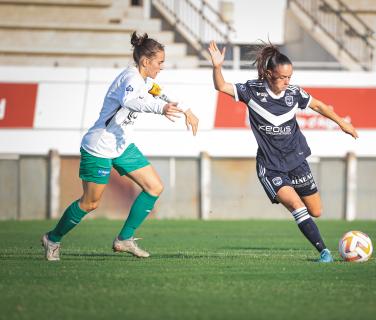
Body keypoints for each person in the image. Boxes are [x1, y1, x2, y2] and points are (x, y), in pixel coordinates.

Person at [41, 32, 199, 261]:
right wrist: (160, 109)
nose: (162, 67)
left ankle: (124, 239)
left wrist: (187, 110)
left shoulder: (146, 81)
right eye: (160, 62)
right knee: (90, 202)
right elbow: (130, 101)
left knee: (154, 187)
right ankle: (52, 239)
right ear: (146, 61)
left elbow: (162, 93)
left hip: (121, 145)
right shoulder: (130, 79)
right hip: (99, 146)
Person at [207, 41, 358, 263]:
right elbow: (221, 87)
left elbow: (319, 106)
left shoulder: (294, 94)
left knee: (316, 211)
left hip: (296, 160)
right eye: (283, 77)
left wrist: (342, 122)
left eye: (290, 77)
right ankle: (324, 252)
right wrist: (217, 67)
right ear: (269, 74)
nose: (288, 82)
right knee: (297, 206)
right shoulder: (252, 91)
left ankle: (311, 228)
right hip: (270, 166)